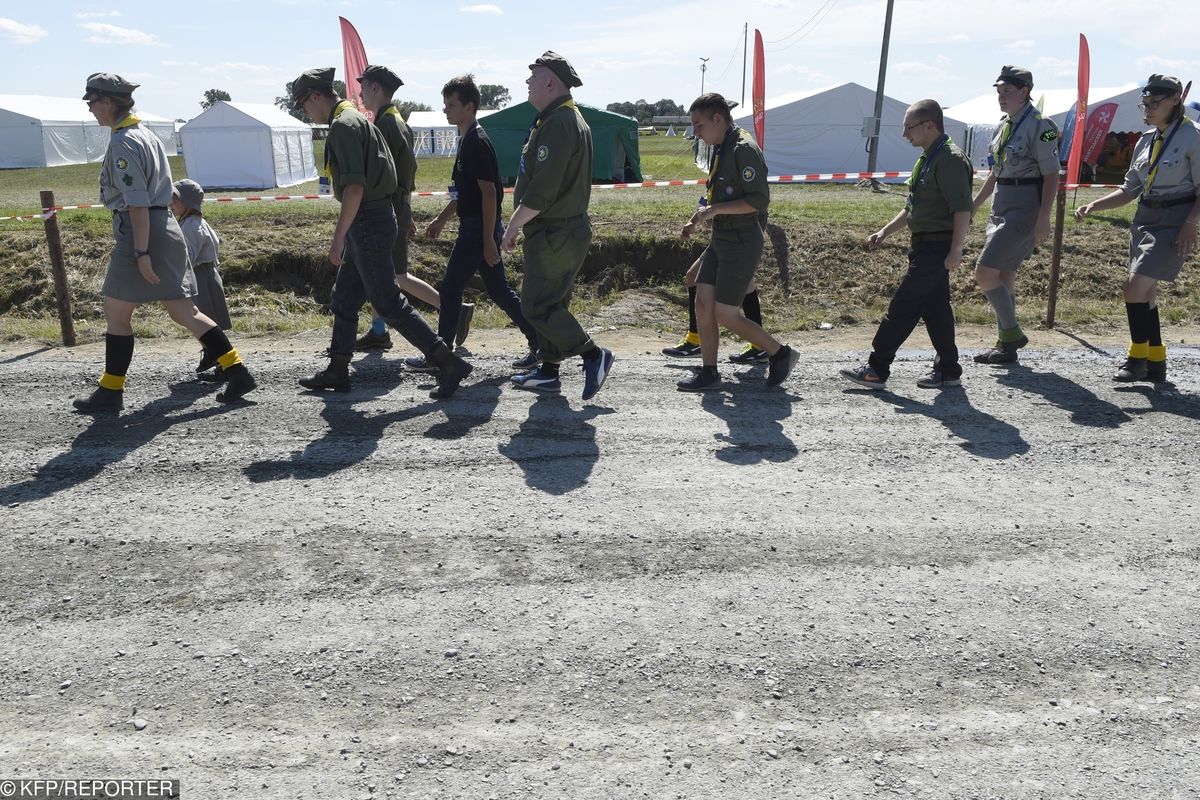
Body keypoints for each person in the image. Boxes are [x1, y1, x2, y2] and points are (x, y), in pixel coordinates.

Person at [72, 73, 256, 412]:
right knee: (184, 311)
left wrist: (141, 251)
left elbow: (137, 201)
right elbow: (167, 191)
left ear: (109, 102)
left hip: (140, 230)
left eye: (92, 102)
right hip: (165, 226)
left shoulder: (123, 142)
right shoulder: (146, 135)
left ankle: (111, 391)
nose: (90, 109)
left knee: (116, 310)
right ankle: (237, 370)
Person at [289, 67, 471, 399]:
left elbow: (355, 187)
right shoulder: (353, 119)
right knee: (343, 300)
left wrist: (338, 237)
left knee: (388, 303)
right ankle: (338, 368)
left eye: (304, 105)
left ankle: (447, 361)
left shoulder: (344, 126)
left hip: (368, 221)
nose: (306, 112)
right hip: (373, 218)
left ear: (316, 97)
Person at [502, 51, 614, 400]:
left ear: (551, 82)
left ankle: (593, 355)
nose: (528, 82)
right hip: (559, 230)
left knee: (536, 306)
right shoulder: (560, 119)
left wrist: (512, 226)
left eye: (533, 76)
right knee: (552, 303)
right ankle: (549, 370)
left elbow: (543, 191)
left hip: (555, 231)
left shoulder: (559, 123)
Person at [841, 99, 973, 390]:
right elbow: (913, 207)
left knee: (903, 306)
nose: (904, 135)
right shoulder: (928, 158)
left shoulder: (949, 158)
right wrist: (885, 231)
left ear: (930, 125)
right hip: (924, 245)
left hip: (937, 246)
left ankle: (877, 368)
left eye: (909, 128)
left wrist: (956, 249)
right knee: (936, 310)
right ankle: (948, 369)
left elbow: (963, 209)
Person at [1075, 74, 1199, 383]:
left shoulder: (1194, 138)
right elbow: (1130, 189)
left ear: (1175, 100)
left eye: (1154, 103)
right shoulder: (1146, 140)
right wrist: (1095, 205)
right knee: (1147, 293)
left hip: (1174, 220)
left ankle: (1136, 357)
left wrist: (1191, 225)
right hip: (1144, 219)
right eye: (1144, 103)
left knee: (1133, 288)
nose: (1147, 109)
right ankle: (1156, 361)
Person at [416, 74, 541, 373]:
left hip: (477, 230)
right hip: (475, 226)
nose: (446, 110)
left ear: (469, 107)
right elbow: (467, 193)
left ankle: (440, 355)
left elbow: (489, 195)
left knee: (449, 290)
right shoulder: (466, 139)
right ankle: (539, 341)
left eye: (451, 105)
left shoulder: (477, 141)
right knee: (498, 291)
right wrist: (441, 218)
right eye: (445, 104)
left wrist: (488, 240)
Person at [674, 92, 797, 392]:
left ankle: (780, 353)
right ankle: (710, 373)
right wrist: (698, 218)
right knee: (703, 304)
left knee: (725, 313)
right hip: (723, 236)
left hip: (742, 239)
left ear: (718, 119)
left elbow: (758, 200)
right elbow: (717, 193)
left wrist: (714, 211)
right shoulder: (721, 146)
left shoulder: (743, 149)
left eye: (699, 125)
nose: (696, 133)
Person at [352, 65, 474, 354]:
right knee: (383, 274)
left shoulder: (388, 124)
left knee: (395, 276)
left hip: (388, 211)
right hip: (393, 209)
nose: (359, 93)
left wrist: (403, 216)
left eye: (363, 86)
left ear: (376, 89)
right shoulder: (388, 120)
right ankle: (379, 331)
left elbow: (401, 176)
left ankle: (453, 310)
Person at [971, 65, 1060, 365]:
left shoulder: (1041, 125)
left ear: (1024, 91)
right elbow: (995, 172)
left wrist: (1044, 216)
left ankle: (1011, 334)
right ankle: (1005, 346)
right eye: (999, 91)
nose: (1001, 96)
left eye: (1007, 91)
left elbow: (1051, 176)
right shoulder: (1002, 126)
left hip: (1026, 204)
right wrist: (975, 205)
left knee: (984, 272)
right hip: (1002, 203)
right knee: (1004, 274)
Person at [169, 178, 231, 380]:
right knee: (205, 321)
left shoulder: (190, 227)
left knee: (207, 322)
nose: (171, 203)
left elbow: (187, 258)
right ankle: (211, 354)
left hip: (201, 277)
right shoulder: (193, 222)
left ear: (186, 202)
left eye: (175, 199)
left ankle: (224, 364)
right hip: (205, 275)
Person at [661, 282, 769, 363]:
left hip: (732, 251)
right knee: (746, 283)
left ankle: (696, 342)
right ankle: (760, 347)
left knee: (694, 277)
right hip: (728, 250)